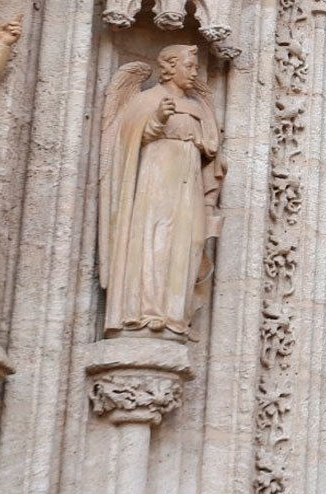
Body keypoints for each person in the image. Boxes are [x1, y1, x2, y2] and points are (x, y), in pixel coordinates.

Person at [99, 45, 225, 340]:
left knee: (190, 240)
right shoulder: (147, 99)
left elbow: (211, 150)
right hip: (157, 178)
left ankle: (175, 314)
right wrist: (156, 119)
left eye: (195, 67)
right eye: (189, 66)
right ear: (169, 67)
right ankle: (147, 313)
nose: (194, 72)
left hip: (189, 178)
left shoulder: (197, 108)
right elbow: (128, 141)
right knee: (156, 239)